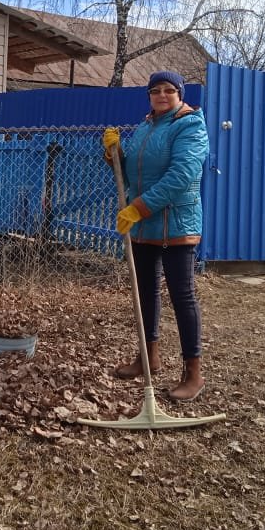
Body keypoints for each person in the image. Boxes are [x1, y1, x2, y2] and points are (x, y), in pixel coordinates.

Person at [102, 70, 210, 401]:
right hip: (145, 227)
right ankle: (148, 356)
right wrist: (114, 154)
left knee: (182, 297)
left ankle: (193, 373)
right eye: (155, 91)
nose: (161, 95)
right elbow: (134, 170)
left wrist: (139, 208)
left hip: (178, 224)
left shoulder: (191, 127)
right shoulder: (146, 126)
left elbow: (181, 175)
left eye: (168, 90)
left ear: (179, 93)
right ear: (149, 96)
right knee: (145, 293)